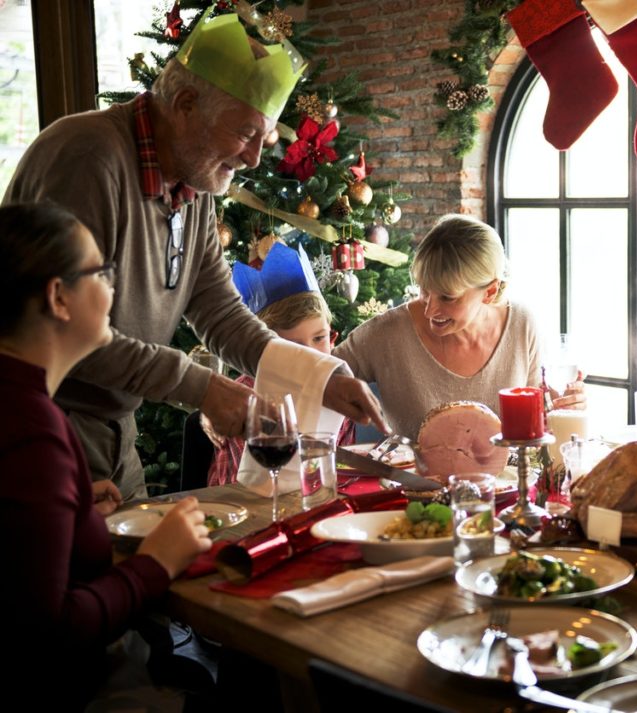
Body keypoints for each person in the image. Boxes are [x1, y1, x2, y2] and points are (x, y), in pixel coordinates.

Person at [3, 9, 384, 500]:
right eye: (246, 134)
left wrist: (321, 377)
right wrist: (201, 387)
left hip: (118, 433)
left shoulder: (195, 179)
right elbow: (61, 326)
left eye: (262, 139)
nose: (252, 159)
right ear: (184, 104)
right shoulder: (86, 158)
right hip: (47, 425)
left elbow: (219, 310)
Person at [0, 203, 211, 709]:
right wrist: (156, 564)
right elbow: (47, 633)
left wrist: (69, 510)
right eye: (102, 271)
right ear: (58, 297)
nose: (114, 285)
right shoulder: (32, 429)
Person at [333, 214, 585, 438]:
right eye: (424, 290)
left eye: (447, 297)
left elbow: (535, 429)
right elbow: (316, 379)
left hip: (504, 488)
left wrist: (567, 410)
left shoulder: (521, 324)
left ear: (490, 291)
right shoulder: (387, 333)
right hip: (413, 490)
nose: (430, 310)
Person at [206, 243, 355, 485]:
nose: (312, 356)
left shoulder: (337, 393)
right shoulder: (246, 401)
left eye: (320, 338)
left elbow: (342, 479)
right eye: (294, 349)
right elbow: (241, 488)